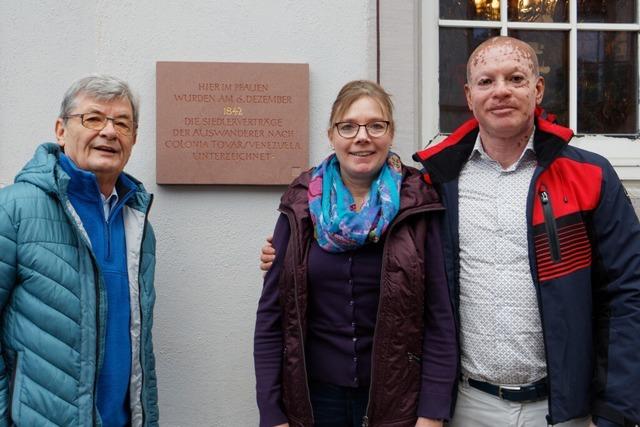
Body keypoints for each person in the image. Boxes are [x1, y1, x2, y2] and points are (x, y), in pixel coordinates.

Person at [262, 37, 640, 427]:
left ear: (538, 88)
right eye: (486, 81)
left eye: (515, 78)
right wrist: (286, 253)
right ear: (469, 95)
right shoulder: (437, 182)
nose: (501, 92)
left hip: (567, 408)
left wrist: (616, 411)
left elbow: (629, 292)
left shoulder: (589, 175)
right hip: (469, 404)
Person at [254, 80, 457, 427]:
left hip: (398, 404)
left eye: (375, 125)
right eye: (347, 126)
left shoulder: (419, 202)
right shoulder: (300, 205)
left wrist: (432, 414)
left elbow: (440, 319)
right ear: (331, 135)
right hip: (315, 403)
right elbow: (272, 320)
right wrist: (272, 414)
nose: (362, 137)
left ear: (391, 133)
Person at [0, 75, 159, 426]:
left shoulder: (139, 225)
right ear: (61, 130)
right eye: (93, 119)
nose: (109, 131)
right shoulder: (13, 210)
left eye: (122, 123)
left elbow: (138, 346)